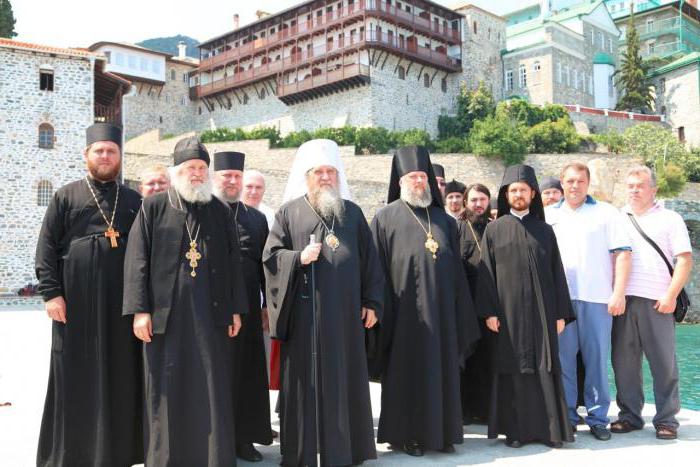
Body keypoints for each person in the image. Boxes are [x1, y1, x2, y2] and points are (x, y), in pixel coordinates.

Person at [122, 136, 248, 466]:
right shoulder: (154, 206)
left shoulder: (219, 210)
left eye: (202, 168)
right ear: (176, 170)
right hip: (166, 316)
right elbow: (137, 260)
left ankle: (213, 457)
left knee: (210, 384)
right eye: (191, 167)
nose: (197, 173)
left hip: (212, 313)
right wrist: (139, 311)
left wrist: (236, 308)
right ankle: (166, 457)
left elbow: (235, 261)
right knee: (166, 385)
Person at [263, 139, 383, 467]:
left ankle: (348, 449)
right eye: (319, 172)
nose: (326, 177)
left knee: (345, 379)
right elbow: (271, 257)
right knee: (305, 382)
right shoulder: (289, 212)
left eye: (331, 171)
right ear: (308, 176)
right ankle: (303, 451)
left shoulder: (353, 213)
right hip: (305, 317)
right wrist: (298, 258)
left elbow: (371, 262)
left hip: (345, 316)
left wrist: (372, 302)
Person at [35, 122, 143, 467]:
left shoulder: (133, 199)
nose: (106, 156)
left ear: (120, 156)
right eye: (100, 151)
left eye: (112, 151)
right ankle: (73, 453)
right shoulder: (66, 195)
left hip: (121, 304)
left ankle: (120, 452)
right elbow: (46, 248)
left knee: (121, 373)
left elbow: (147, 252)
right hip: (76, 304)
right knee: (75, 374)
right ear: (87, 155)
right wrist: (52, 294)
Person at [371, 146, 480, 457]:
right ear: (400, 181)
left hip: (443, 312)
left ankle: (442, 433)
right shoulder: (384, 217)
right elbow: (375, 268)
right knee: (407, 372)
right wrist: (377, 307)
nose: (418, 182)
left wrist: (461, 309)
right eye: (412, 177)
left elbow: (457, 268)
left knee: (443, 371)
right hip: (402, 312)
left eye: (422, 176)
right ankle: (408, 435)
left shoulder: (445, 220)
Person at [476, 164, 575, 448]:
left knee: (545, 366)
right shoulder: (494, 230)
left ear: (533, 194)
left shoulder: (545, 230)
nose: (518, 194)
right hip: (507, 314)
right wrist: (490, 312)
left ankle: (551, 431)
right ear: (506, 195)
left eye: (523, 190)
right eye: (513, 190)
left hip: (544, 314)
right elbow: (486, 274)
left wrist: (560, 315)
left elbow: (557, 273)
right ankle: (516, 431)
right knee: (513, 367)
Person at [545, 161, 632, 441]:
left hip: (597, 298)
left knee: (596, 361)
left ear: (588, 183)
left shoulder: (606, 213)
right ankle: (568, 417)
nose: (574, 186)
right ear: (561, 182)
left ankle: (597, 418)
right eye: (569, 181)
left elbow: (622, 254)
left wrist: (618, 292)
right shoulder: (548, 216)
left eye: (580, 181)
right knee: (564, 362)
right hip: (562, 302)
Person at [611, 166, 693, 440]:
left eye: (641, 185)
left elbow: (684, 259)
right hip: (622, 300)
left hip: (658, 301)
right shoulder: (617, 217)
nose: (634, 190)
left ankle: (667, 420)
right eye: (631, 185)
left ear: (653, 190)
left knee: (664, 364)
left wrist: (670, 296)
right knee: (624, 363)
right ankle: (630, 416)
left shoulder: (670, 219)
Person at [212, 151, 273, 461]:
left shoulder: (256, 218)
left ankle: (243, 439)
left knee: (246, 374)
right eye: (227, 176)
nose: (233, 180)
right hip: (213, 306)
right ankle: (216, 439)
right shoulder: (203, 211)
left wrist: (266, 306)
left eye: (237, 175)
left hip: (248, 305)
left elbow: (266, 265)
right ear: (216, 178)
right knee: (217, 374)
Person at [457, 182, 493, 424]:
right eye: (474, 200)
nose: (478, 204)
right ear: (465, 202)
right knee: (466, 357)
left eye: (482, 199)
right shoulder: (456, 228)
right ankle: (464, 410)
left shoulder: (496, 227)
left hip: (490, 304)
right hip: (466, 302)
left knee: (487, 358)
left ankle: (486, 409)